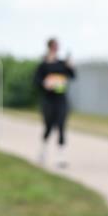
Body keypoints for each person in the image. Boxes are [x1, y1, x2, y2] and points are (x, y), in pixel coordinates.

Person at [33, 38, 76, 168]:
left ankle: (60, 158)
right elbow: (36, 81)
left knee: (61, 127)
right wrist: (45, 84)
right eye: (54, 46)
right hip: (48, 100)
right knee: (48, 127)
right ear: (49, 47)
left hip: (61, 99)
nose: (56, 48)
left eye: (57, 46)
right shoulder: (43, 65)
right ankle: (43, 152)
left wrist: (70, 66)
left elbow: (72, 76)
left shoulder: (62, 63)